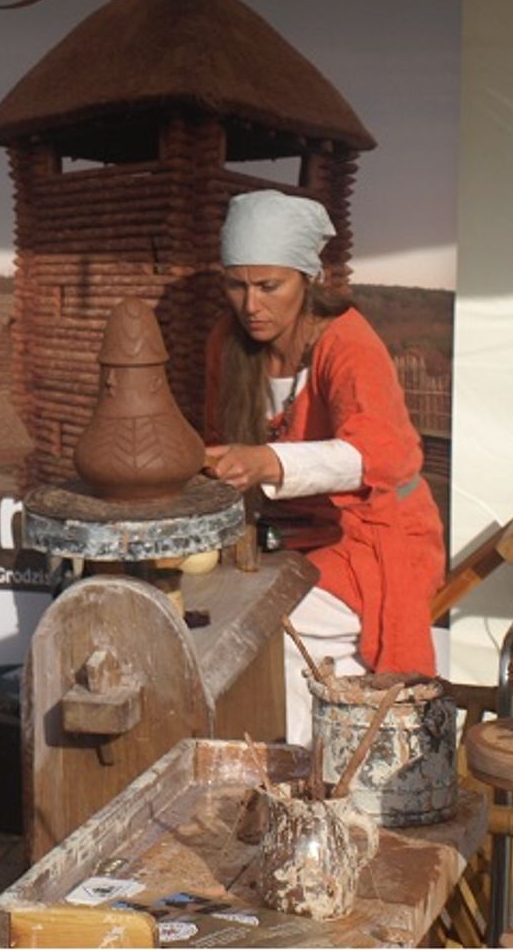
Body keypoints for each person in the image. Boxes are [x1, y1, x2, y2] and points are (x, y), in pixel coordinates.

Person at [203, 190, 445, 745]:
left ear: (306, 279)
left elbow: (380, 455)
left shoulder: (347, 342)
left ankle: (313, 771)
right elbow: (219, 445)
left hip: (374, 536)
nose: (251, 304)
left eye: (269, 286)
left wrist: (265, 461)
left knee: (269, 627)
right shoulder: (227, 344)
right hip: (289, 538)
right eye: (236, 285)